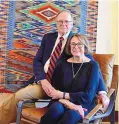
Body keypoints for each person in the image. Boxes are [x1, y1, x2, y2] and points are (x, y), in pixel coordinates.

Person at [0, 10, 109, 124]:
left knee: (60, 112)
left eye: (67, 21)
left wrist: (102, 92)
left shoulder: (76, 41)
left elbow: (93, 67)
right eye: (60, 21)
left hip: (60, 87)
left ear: (72, 24)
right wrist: (42, 80)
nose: (63, 24)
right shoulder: (48, 38)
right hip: (42, 83)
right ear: (56, 23)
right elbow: (37, 61)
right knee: (18, 96)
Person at [39, 34, 102, 124]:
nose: (76, 47)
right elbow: (55, 92)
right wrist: (70, 104)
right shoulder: (62, 64)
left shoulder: (93, 66)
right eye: (73, 44)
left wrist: (63, 95)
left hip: (83, 105)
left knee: (71, 116)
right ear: (69, 46)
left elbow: (88, 96)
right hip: (62, 102)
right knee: (56, 109)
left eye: (79, 44)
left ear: (85, 46)